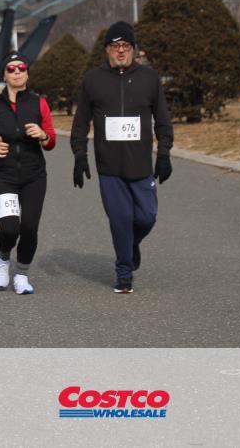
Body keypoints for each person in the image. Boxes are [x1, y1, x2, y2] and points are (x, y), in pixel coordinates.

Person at [70, 21, 173, 293]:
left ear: (133, 49)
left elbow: (163, 119)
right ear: (106, 49)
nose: (120, 51)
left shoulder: (149, 78)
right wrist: (79, 155)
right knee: (120, 220)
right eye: (115, 46)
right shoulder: (93, 80)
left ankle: (131, 245)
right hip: (109, 167)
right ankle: (124, 272)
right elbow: (80, 122)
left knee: (147, 217)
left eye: (126, 45)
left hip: (141, 165)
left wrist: (164, 153)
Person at [0, 51, 56, 294]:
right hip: (4, 175)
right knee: (10, 228)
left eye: (21, 67)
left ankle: (21, 274)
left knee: (29, 227)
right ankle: (3, 258)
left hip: (34, 176)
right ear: (4, 75)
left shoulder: (39, 103)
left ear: (28, 74)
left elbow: (51, 141)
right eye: (11, 69)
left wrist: (42, 135)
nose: (17, 72)